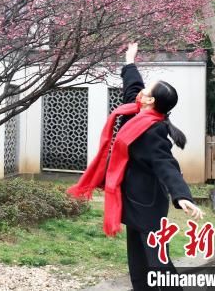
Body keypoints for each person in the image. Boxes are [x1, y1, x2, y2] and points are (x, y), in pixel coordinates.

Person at [68, 42, 204, 291]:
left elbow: (167, 165)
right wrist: (130, 61)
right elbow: (132, 87)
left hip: (149, 207)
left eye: (146, 91)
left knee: (158, 264)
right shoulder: (136, 113)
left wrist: (182, 196)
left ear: (150, 100)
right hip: (133, 202)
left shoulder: (154, 130)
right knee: (138, 263)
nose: (140, 92)